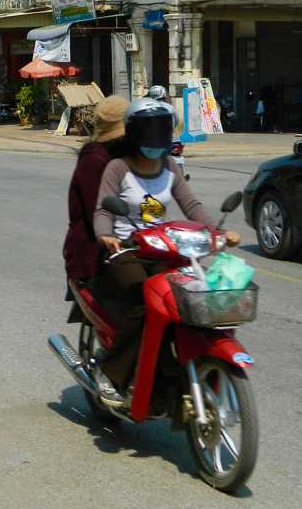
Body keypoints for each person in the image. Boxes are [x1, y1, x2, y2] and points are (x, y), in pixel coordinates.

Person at [90, 98, 241, 407]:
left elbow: (192, 205)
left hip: (163, 248)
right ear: (133, 133)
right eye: (150, 130)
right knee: (144, 303)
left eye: (161, 130)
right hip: (125, 250)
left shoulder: (170, 166)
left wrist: (219, 233)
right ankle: (111, 372)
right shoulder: (117, 168)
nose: (156, 138)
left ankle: (173, 371)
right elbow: (103, 209)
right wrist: (105, 236)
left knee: (184, 302)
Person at [63, 96, 130, 284]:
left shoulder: (122, 157)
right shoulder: (94, 160)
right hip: (92, 256)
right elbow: (99, 210)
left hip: (123, 250)